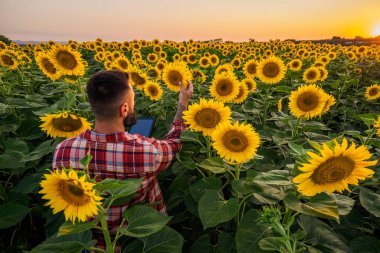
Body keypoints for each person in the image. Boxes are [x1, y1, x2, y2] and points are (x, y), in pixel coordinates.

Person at [52, 69, 193, 252]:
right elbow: (175, 141)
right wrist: (183, 101)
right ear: (124, 108)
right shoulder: (147, 153)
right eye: (132, 100)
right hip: (137, 242)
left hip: (91, 245)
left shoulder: (62, 151)